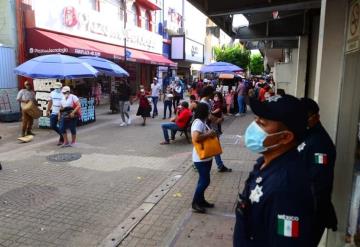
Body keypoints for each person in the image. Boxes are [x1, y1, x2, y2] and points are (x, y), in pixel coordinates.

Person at [233, 94, 315, 247]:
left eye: (262, 123)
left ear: (284, 137)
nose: (254, 125)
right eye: (256, 118)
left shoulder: (287, 188)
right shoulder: (264, 162)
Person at [299, 98, 338, 246]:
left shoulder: (320, 144)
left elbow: (319, 183)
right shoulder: (306, 135)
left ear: (316, 117)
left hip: (311, 212)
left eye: (305, 117)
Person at [191, 102, 218, 213]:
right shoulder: (198, 123)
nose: (209, 112)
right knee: (205, 181)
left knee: (203, 180)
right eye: (207, 110)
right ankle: (195, 202)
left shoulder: (203, 122)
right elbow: (196, 138)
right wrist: (209, 134)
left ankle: (201, 200)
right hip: (200, 157)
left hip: (206, 156)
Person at [200, 86, 232, 173]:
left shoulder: (207, 102)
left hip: (211, 128)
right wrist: (218, 120)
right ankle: (219, 165)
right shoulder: (204, 103)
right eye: (212, 93)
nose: (213, 95)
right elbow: (208, 116)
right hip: (209, 129)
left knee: (213, 146)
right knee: (214, 146)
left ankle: (219, 165)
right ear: (209, 93)